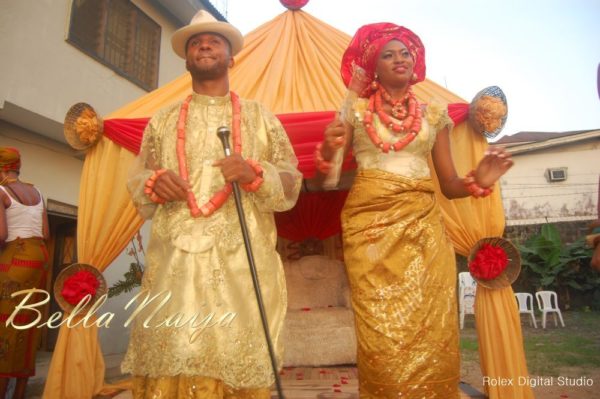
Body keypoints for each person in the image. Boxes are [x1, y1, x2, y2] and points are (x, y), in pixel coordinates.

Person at [315, 23, 514, 398]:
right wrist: (343, 111)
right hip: (369, 226)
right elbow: (330, 168)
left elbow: (451, 185)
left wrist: (480, 180)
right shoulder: (356, 112)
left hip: (424, 227)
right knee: (382, 325)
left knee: (430, 321)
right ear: (374, 66)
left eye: (405, 52)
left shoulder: (435, 115)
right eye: (388, 55)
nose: (400, 59)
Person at [122, 10, 302, 399]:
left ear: (231, 58)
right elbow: (137, 179)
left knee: (237, 348)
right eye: (195, 42)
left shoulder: (260, 117)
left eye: (214, 41)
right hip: (176, 266)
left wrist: (255, 173)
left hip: (241, 265)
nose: (204, 45)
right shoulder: (163, 121)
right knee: (174, 347)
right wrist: (155, 182)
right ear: (186, 60)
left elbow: (291, 181)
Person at [0, 147, 49, 399]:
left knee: (5, 327)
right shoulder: (38, 192)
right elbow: (46, 233)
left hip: (14, 258)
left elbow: (0, 234)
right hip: (38, 259)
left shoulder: (1, 191)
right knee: (27, 326)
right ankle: (18, 393)